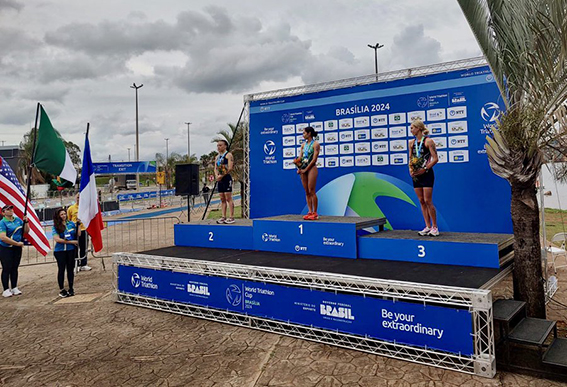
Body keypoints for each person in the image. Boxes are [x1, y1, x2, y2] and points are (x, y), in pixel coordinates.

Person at [408, 119, 439, 236]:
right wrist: (411, 169)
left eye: (412, 127)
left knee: (428, 201)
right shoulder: (411, 143)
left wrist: (425, 169)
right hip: (416, 175)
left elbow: (435, 158)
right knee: (421, 201)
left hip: (426, 174)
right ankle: (427, 226)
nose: (411, 130)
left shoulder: (428, 141)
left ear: (419, 128)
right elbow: (410, 159)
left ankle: (435, 227)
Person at [0, 205, 29, 298]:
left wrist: (26, 222)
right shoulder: (2, 222)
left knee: (14, 267)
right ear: (3, 212)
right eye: (8, 209)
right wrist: (17, 243)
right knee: (7, 267)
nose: (10, 210)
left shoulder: (17, 220)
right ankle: (5, 289)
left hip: (16, 248)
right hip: (6, 248)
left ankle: (14, 287)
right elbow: (3, 237)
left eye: (11, 209)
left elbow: (26, 231)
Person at [52, 208, 80, 297]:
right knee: (61, 269)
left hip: (70, 250)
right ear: (58, 216)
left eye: (64, 214)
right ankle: (62, 289)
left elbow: (78, 234)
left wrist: (79, 225)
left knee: (70, 269)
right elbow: (57, 239)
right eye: (61, 214)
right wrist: (71, 242)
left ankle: (71, 288)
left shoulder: (70, 224)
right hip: (60, 251)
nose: (64, 216)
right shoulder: (55, 226)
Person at [297, 126, 321, 220]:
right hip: (303, 169)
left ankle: (315, 212)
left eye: (304, 133)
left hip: (311, 168)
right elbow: (300, 158)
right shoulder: (303, 145)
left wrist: (306, 169)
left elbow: (314, 159)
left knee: (311, 190)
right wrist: (299, 166)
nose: (303, 135)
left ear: (309, 133)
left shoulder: (316, 144)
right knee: (307, 191)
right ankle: (310, 211)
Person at [67, 193, 91, 271]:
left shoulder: (86, 208)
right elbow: (68, 220)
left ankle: (83, 264)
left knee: (83, 247)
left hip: (84, 230)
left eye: (80, 197)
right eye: (77, 197)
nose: (79, 199)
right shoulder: (71, 208)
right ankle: (75, 264)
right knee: (75, 248)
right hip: (74, 231)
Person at [214, 140, 235, 224]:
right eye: (217, 145)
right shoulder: (217, 157)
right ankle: (223, 216)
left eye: (220, 145)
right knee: (222, 198)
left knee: (228, 198)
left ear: (225, 146)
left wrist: (222, 175)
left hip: (226, 178)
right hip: (220, 179)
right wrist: (216, 176)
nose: (218, 147)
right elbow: (215, 168)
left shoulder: (228, 155)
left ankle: (232, 217)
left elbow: (230, 167)